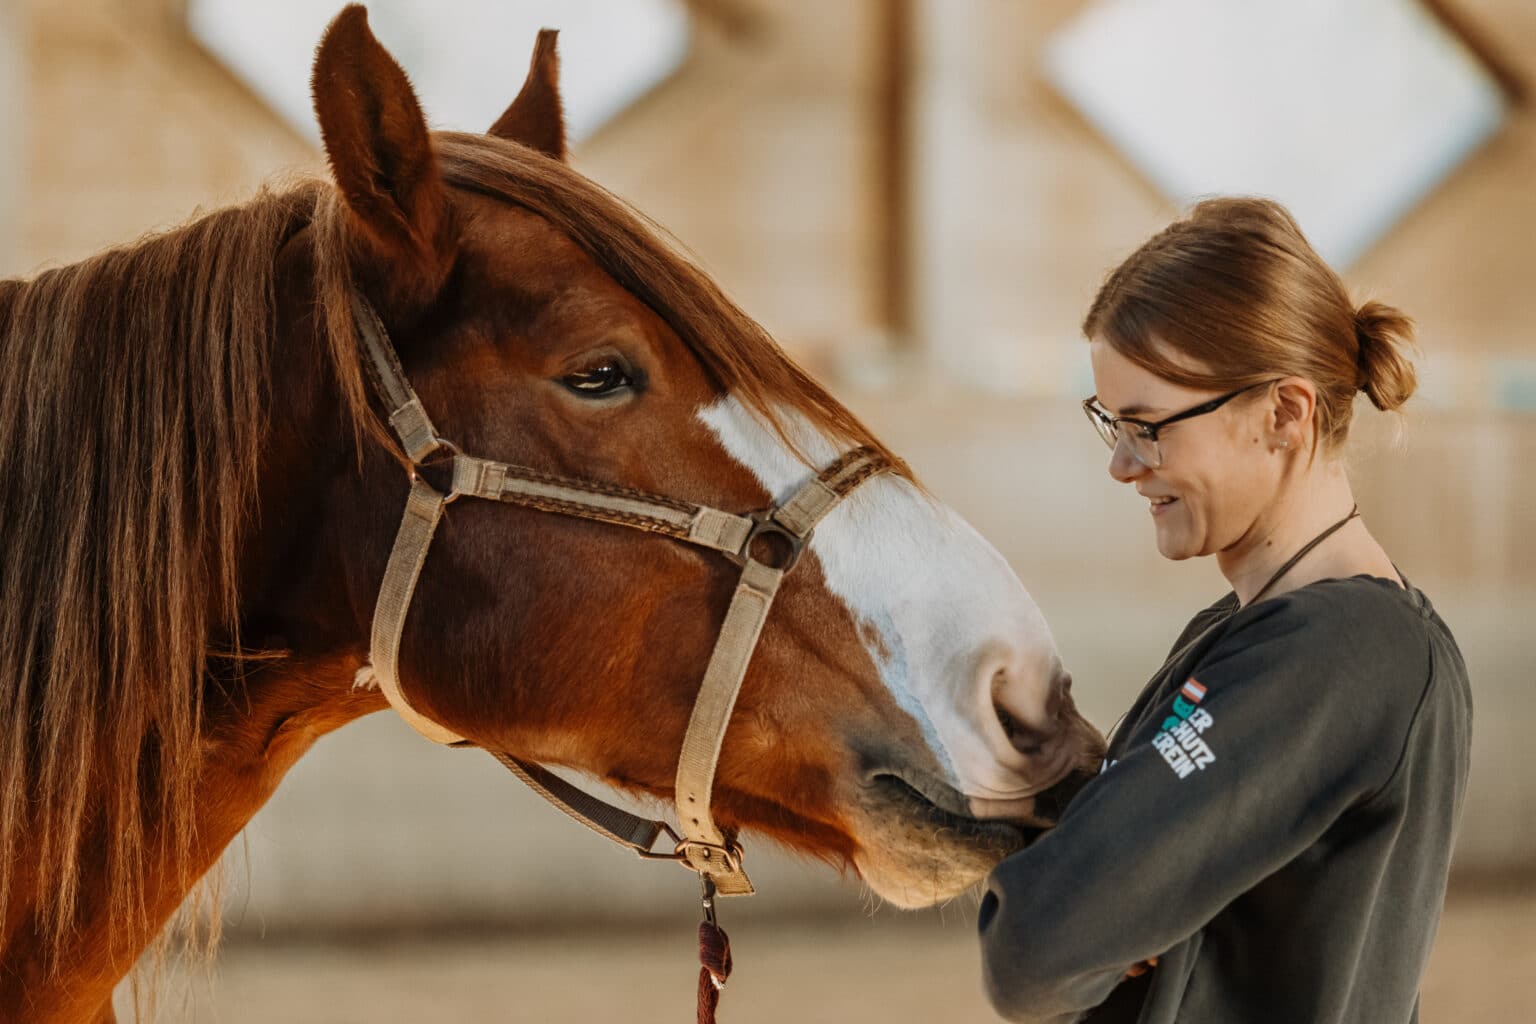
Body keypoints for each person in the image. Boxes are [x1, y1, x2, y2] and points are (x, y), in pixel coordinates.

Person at [978, 197, 1471, 1023]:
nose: (1124, 467)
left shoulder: (1344, 653)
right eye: (1112, 425)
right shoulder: (1244, 628)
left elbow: (1037, 947)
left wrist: (1093, 901)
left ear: (1284, 413)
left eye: (1149, 427)